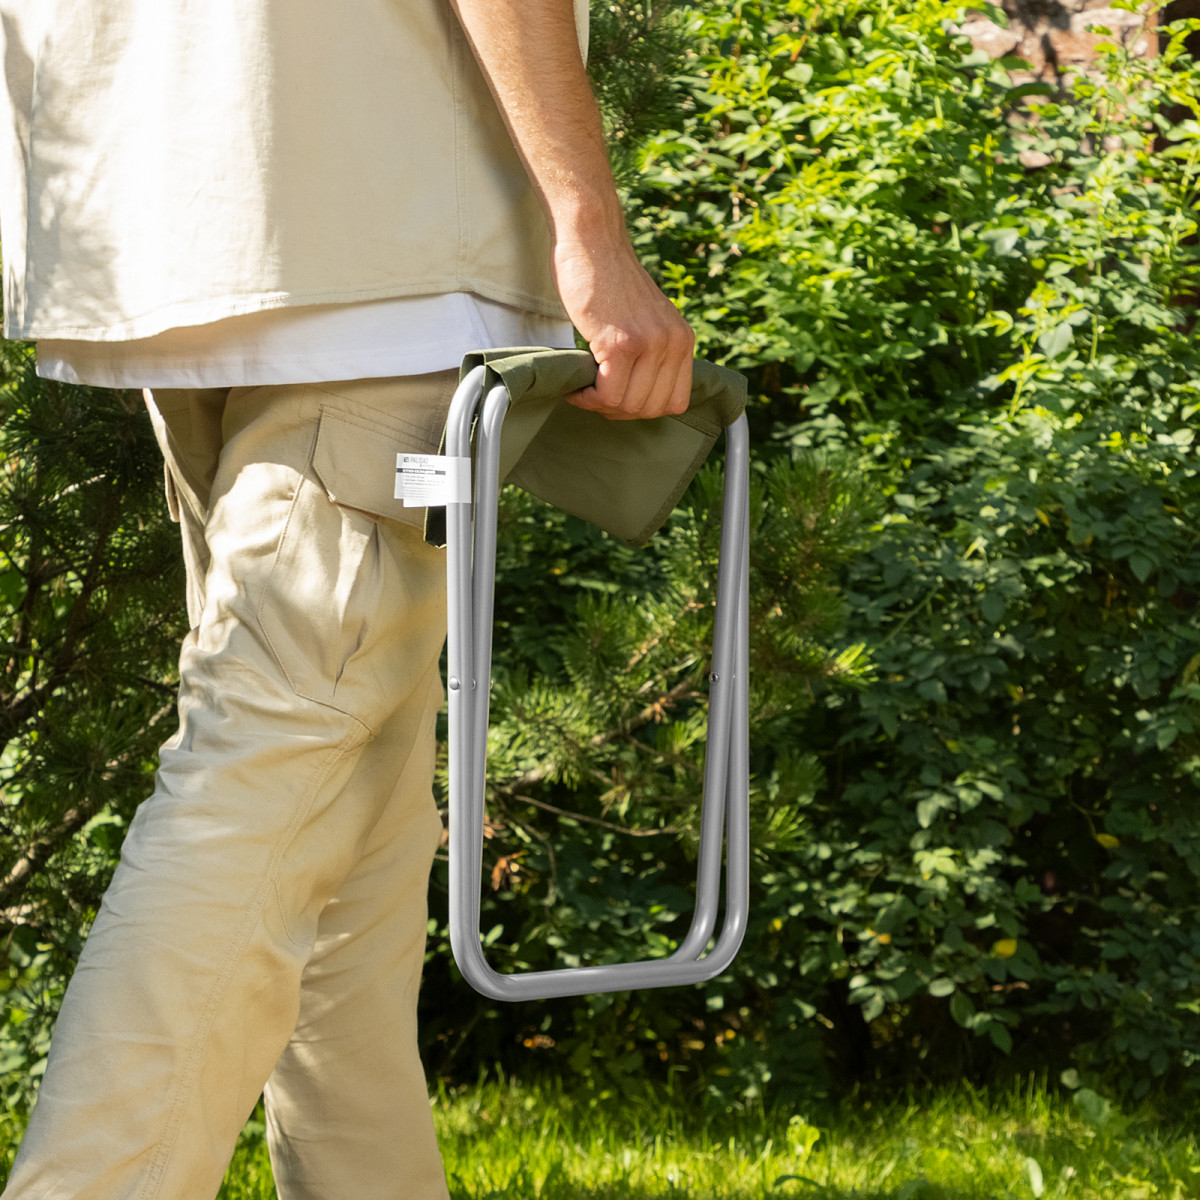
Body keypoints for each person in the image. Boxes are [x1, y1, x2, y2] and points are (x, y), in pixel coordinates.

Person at [0, 1, 694, 1196]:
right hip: (386, 232)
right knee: (261, 778)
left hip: (167, 223)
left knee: (349, 829)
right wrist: (589, 224)